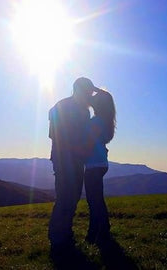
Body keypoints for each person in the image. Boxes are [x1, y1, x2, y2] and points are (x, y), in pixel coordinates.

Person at [48, 77, 98, 254]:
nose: (90, 95)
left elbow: (53, 134)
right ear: (79, 90)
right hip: (65, 160)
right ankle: (58, 238)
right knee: (65, 196)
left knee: (72, 196)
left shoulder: (79, 110)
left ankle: (63, 235)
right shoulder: (66, 107)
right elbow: (56, 134)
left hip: (72, 159)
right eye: (88, 91)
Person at [82, 88, 116, 245]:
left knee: (93, 201)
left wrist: (78, 153)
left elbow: (88, 143)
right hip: (101, 163)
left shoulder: (95, 122)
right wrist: (94, 89)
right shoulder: (105, 120)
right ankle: (102, 230)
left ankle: (94, 233)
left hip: (93, 164)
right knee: (97, 199)